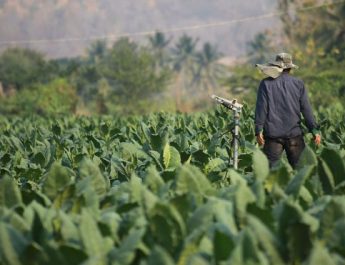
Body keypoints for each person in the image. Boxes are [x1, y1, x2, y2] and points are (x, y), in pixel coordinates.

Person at [254, 53, 321, 168]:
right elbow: (306, 109)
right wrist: (314, 130)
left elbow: (261, 108)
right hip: (294, 135)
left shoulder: (265, 84)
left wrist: (258, 130)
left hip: (273, 136)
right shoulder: (298, 83)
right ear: (290, 68)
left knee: (270, 174)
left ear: (276, 66)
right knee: (301, 172)